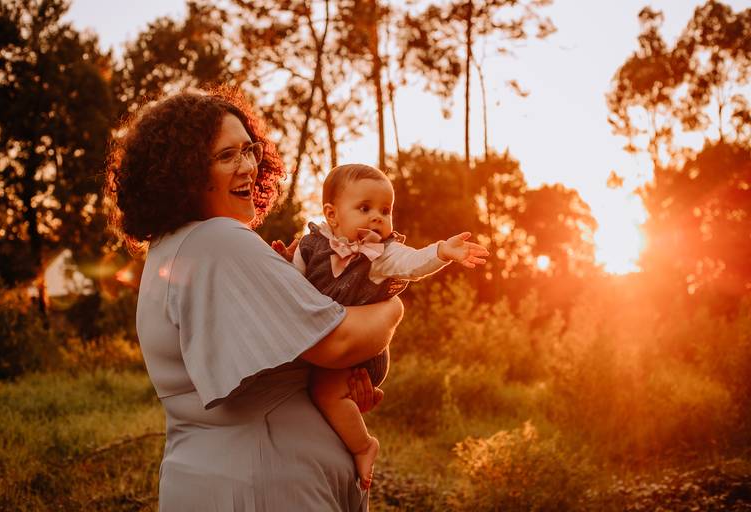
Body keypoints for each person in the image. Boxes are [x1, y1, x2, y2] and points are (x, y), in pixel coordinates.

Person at [104, 88, 404, 511]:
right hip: (264, 484)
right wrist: (393, 307)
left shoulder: (171, 249)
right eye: (227, 156)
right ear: (184, 172)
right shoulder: (217, 241)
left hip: (221, 477)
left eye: (249, 150)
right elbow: (339, 341)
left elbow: (282, 363)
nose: (248, 166)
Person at [272, 164, 489, 489]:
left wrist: (442, 251)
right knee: (308, 386)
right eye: (364, 208)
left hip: (361, 352)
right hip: (326, 341)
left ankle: (363, 445)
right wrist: (280, 264)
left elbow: (412, 263)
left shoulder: (381, 255)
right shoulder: (309, 246)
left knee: (324, 390)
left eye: (385, 211)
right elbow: (291, 285)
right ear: (332, 215)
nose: (377, 217)